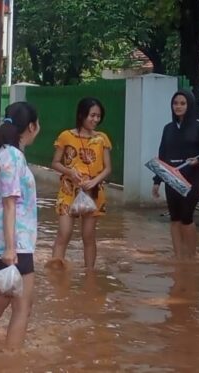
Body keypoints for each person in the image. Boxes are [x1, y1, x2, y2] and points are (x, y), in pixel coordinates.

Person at [0, 102, 40, 350]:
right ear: (31, 126)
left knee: (0, 301)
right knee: (23, 306)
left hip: (0, 240)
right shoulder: (12, 156)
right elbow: (9, 203)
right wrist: (11, 249)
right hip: (13, 243)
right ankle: (12, 361)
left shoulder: (3, 153)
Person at [48, 97, 112, 270]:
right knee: (64, 233)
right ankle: (55, 273)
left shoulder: (102, 139)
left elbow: (107, 168)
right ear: (81, 115)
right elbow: (55, 162)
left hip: (93, 193)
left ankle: (89, 276)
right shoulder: (66, 136)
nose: (95, 120)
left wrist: (94, 182)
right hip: (68, 192)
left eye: (98, 116)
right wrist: (70, 172)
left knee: (89, 236)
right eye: (92, 115)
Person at [152, 90, 199, 260]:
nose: (178, 106)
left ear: (189, 105)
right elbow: (162, 156)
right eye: (175, 103)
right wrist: (157, 181)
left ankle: (192, 255)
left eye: (182, 103)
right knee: (175, 218)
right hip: (172, 179)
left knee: (186, 217)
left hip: (193, 178)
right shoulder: (168, 128)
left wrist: (198, 160)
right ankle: (179, 256)